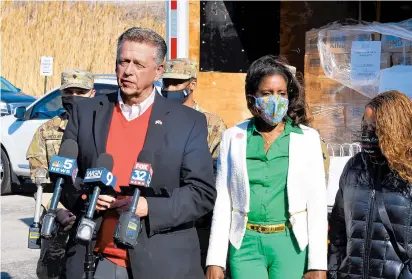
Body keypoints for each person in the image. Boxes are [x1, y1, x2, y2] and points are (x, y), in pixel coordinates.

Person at [61, 27, 216, 279]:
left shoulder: (188, 122)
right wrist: (86, 197)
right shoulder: (86, 112)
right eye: (123, 61)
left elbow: (201, 193)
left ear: (159, 71)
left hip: (162, 262)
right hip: (94, 256)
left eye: (139, 64)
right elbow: (64, 178)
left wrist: (148, 207)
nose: (128, 71)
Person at [206, 55, 328, 279]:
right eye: (267, 94)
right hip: (245, 244)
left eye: (281, 94)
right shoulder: (233, 137)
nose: (276, 100)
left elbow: (317, 205)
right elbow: (223, 201)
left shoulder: (307, 139)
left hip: (290, 244)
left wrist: (318, 264)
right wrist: (215, 259)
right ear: (252, 99)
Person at [328, 90, 412, 279]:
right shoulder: (354, 168)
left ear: (396, 129)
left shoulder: (409, 173)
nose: (367, 135)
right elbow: (338, 229)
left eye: (375, 129)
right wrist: (334, 271)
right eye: (365, 127)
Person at [26, 69, 96, 279]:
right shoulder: (48, 130)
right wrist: (56, 210)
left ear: (92, 94)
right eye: (69, 92)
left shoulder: (100, 130)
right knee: (50, 272)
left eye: (80, 92)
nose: (74, 97)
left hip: (92, 212)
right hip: (58, 214)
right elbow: (39, 179)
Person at [161, 58, 227, 274]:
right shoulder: (154, 120)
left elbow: (216, 177)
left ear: (193, 84)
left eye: (177, 83)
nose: (170, 89)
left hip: (196, 223)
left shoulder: (212, 125)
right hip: (158, 217)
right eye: (167, 83)